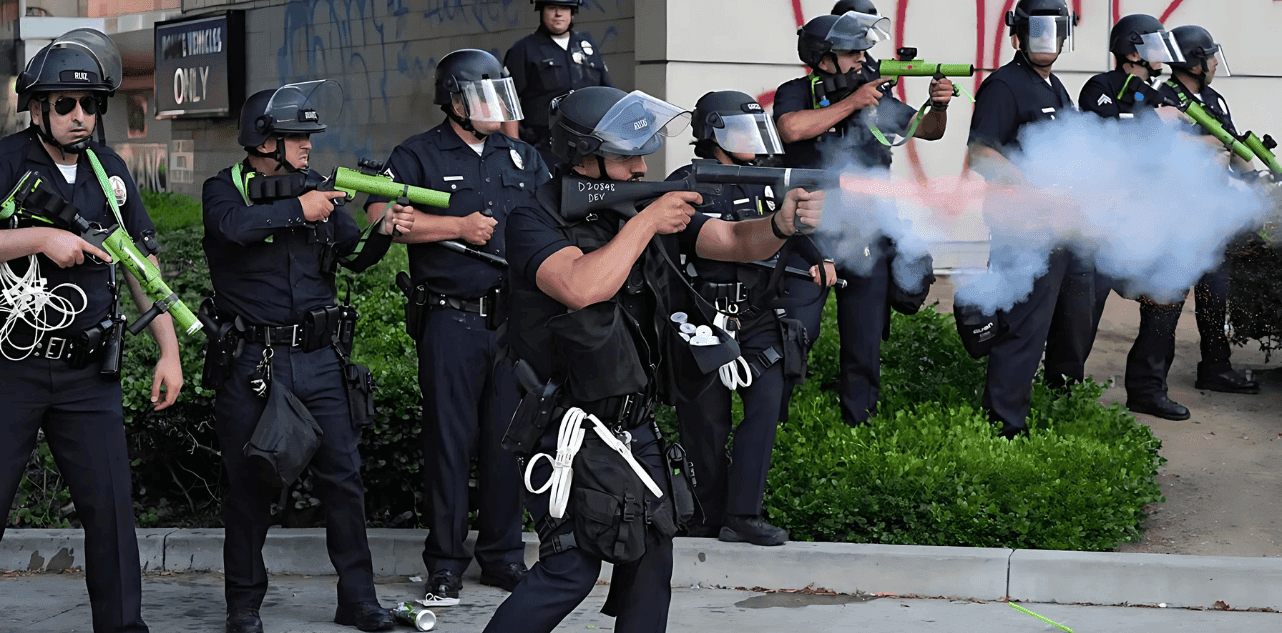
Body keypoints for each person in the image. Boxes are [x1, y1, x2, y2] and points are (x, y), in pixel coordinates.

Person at [482, 86, 824, 633]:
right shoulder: (534, 217)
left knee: (651, 553)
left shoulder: (634, 201)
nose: (643, 167)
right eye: (626, 157)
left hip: (629, 416)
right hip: (562, 420)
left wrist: (782, 226)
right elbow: (580, 285)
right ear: (581, 156)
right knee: (572, 565)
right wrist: (645, 223)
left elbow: (732, 240)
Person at [202, 80, 413, 633]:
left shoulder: (319, 189)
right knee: (251, 487)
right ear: (265, 139)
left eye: (308, 136)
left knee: (344, 480)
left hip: (320, 360)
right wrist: (300, 208)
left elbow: (355, 256)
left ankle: (359, 600)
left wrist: (382, 229)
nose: (308, 146)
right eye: (297, 136)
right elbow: (233, 228)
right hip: (255, 363)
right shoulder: (224, 189)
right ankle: (243, 606)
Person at [0, 28, 182, 633]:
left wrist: (168, 351)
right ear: (36, 108)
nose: (80, 117)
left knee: (111, 515)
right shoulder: (5, 163)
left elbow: (143, 269)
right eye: (65, 105)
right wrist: (38, 239)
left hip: (89, 377)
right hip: (11, 371)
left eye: (91, 106)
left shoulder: (110, 171)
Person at [365, 49, 547, 607]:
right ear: (455, 102)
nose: (497, 109)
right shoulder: (419, 153)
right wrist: (456, 226)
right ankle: (444, 564)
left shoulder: (522, 158)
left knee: (507, 443)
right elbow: (380, 216)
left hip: (513, 320)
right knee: (448, 444)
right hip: (451, 318)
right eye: (485, 98)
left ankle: (503, 556)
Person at [670, 91, 836, 546]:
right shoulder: (688, 182)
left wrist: (820, 257)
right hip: (702, 316)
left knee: (764, 409)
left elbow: (794, 230)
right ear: (712, 133)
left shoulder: (766, 180)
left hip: (760, 313)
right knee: (707, 422)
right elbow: (719, 240)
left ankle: (745, 514)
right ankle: (706, 512)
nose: (752, 139)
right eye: (740, 130)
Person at [773, 7, 951, 426]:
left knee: (864, 339)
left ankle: (859, 421)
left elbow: (926, 130)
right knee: (797, 331)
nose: (862, 60)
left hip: (863, 233)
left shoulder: (874, 96)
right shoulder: (796, 90)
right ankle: (773, 420)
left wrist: (937, 104)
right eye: (853, 53)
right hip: (809, 233)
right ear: (823, 57)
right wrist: (852, 102)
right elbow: (791, 130)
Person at [966, 0, 1091, 438]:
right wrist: (1032, 189)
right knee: (1022, 330)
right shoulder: (1004, 86)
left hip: (1060, 229)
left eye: (1053, 34)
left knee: (1068, 326)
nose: (1046, 42)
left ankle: (1059, 410)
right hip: (1024, 230)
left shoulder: (1054, 86)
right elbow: (981, 155)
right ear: (1016, 36)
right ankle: (1004, 428)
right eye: (1037, 33)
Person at [1078, 14, 1192, 420]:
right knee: (1082, 312)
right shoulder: (1101, 87)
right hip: (1103, 223)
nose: (1161, 55)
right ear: (1131, 50)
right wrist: (1149, 119)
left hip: (1149, 220)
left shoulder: (1161, 95)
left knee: (1167, 296)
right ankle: (1064, 392)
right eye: (1152, 46)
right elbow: (1100, 130)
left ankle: (1147, 389)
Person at [1153, 25, 1260, 396]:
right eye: (1209, 55)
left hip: (1211, 216)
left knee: (1215, 295)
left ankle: (1215, 367)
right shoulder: (1163, 99)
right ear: (1194, 62)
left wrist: (1253, 181)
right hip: (1175, 217)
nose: (1215, 62)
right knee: (1165, 301)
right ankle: (1152, 382)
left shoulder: (1214, 99)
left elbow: (1232, 149)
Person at [502, 0, 612, 166]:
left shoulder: (587, 48)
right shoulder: (524, 49)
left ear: (572, 12)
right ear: (541, 11)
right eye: (551, 7)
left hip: (588, 147)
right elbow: (507, 100)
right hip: (543, 148)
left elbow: (608, 95)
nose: (558, 13)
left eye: (564, 8)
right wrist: (515, 145)